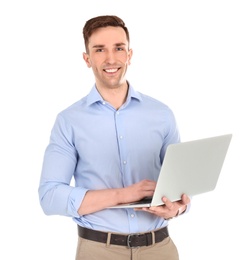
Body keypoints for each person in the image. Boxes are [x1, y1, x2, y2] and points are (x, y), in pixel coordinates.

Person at [38, 15, 191, 260]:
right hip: (98, 250)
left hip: (160, 249)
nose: (111, 59)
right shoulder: (69, 121)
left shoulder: (162, 114)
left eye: (118, 48)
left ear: (129, 54)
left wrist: (178, 207)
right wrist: (123, 195)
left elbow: (181, 186)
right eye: (100, 50)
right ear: (87, 59)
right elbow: (50, 196)